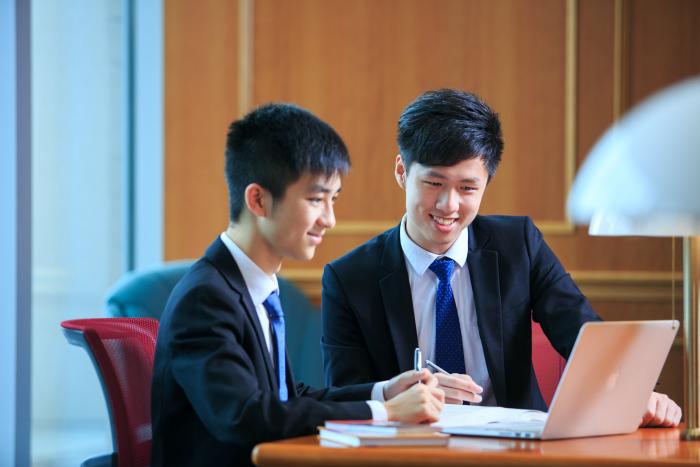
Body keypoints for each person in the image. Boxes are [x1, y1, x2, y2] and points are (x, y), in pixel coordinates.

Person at [321, 89, 681, 427]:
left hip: (515, 448)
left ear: (486, 183)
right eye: (434, 184)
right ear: (402, 172)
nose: (449, 205)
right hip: (409, 448)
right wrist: (407, 394)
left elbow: (581, 329)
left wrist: (637, 391)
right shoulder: (350, 277)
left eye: (467, 188)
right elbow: (343, 395)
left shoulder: (518, 244)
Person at [151, 103, 445, 467]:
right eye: (316, 199)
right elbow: (247, 417)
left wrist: (383, 392)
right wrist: (386, 413)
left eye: (333, 200)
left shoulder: (253, 287)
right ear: (258, 199)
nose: (329, 219)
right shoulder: (206, 299)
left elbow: (284, 397)